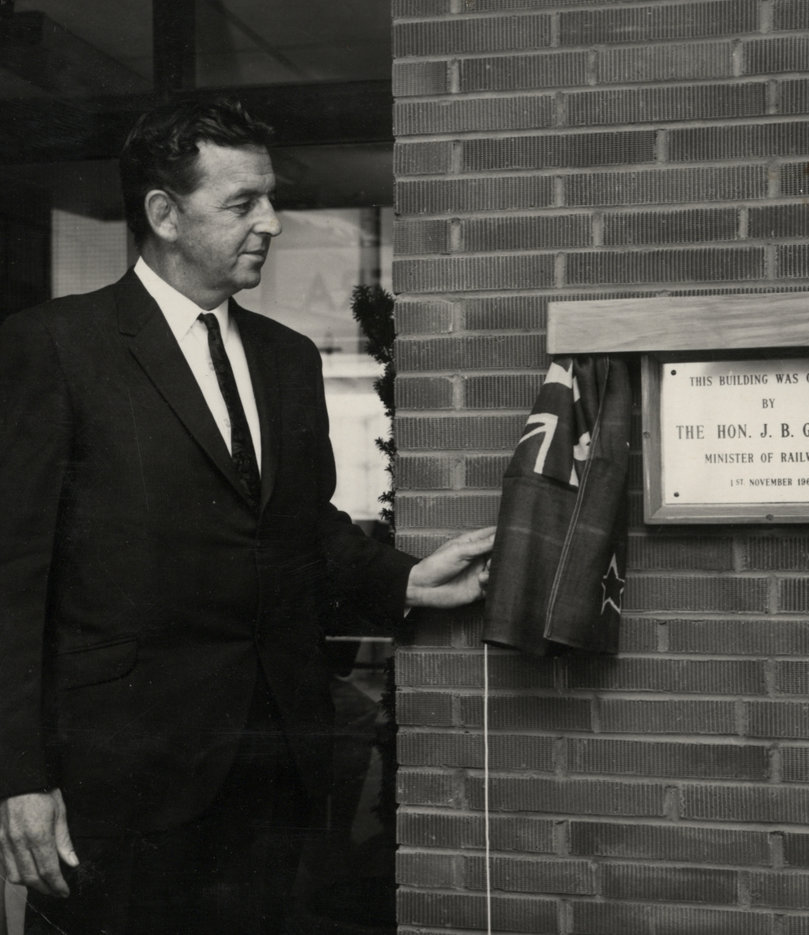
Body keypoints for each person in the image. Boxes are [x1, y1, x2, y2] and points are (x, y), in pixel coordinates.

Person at [0, 97, 493, 935]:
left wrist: (407, 579)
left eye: (269, 197)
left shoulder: (287, 359)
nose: (270, 220)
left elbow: (301, 526)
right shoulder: (54, 347)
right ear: (163, 213)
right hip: (123, 782)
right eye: (240, 203)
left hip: (277, 766)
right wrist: (18, 776)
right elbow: (11, 580)